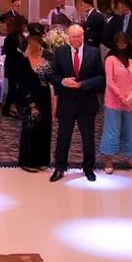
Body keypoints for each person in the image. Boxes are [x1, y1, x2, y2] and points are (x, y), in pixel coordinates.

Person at [50, 24, 105, 182]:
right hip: (66, 102)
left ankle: (88, 168)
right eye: (72, 37)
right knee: (63, 137)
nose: (76, 39)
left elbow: (101, 78)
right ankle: (60, 167)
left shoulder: (93, 52)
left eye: (78, 36)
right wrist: (63, 81)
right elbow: (53, 75)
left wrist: (82, 84)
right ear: (68, 37)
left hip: (86, 102)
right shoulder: (60, 52)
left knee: (88, 138)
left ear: (83, 36)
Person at [8, 32, 53, 171]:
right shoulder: (24, 62)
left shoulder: (46, 60)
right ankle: (28, 161)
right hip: (31, 98)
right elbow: (23, 84)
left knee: (45, 127)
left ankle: (42, 160)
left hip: (45, 98)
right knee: (31, 128)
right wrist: (31, 104)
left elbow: (51, 78)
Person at [99, 31, 132, 174]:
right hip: (113, 102)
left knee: (131, 131)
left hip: (130, 103)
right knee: (112, 131)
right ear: (115, 43)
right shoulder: (110, 59)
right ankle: (108, 160)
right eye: (119, 42)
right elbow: (110, 81)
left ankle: (131, 158)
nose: (122, 44)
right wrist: (122, 97)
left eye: (124, 42)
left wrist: (131, 95)